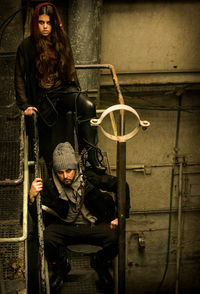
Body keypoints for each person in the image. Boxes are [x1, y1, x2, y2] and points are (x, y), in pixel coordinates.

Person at [15, 2, 106, 174]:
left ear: (54, 23)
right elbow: (19, 76)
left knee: (88, 106)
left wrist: (77, 92)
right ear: (36, 23)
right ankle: (39, 167)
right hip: (42, 97)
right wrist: (25, 105)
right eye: (41, 22)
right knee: (45, 144)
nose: (45, 27)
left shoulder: (62, 39)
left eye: (49, 23)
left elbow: (70, 67)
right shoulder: (26, 46)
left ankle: (91, 155)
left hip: (63, 91)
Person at [29, 142, 130, 293]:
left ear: (75, 168)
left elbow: (122, 185)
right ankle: (62, 267)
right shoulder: (50, 186)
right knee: (46, 237)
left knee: (117, 236)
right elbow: (39, 217)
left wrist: (120, 216)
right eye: (60, 172)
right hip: (66, 228)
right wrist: (31, 197)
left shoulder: (89, 178)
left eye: (69, 171)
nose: (65, 176)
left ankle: (99, 262)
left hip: (93, 225)